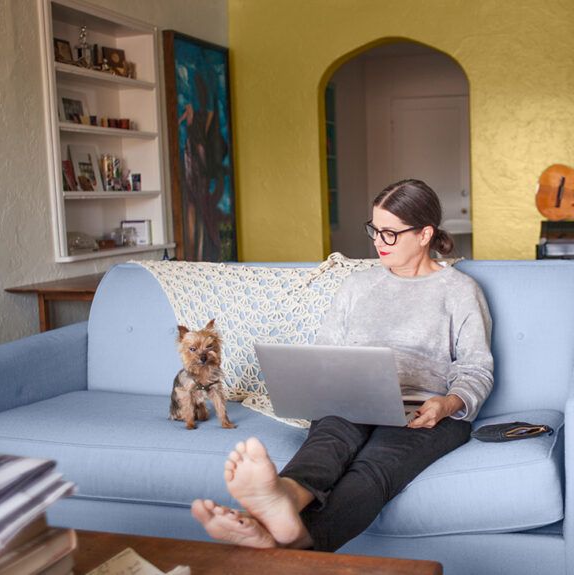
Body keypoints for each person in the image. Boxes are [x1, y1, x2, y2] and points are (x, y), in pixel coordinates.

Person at [190, 179, 494, 551]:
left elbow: (476, 369)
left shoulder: (460, 290)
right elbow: (326, 354)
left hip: (427, 411)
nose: (378, 242)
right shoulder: (356, 286)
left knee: (374, 467)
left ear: (425, 234)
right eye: (374, 230)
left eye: (390, 233)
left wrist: (448, 404)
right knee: (328, 443)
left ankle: (285, 536)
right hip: (353, 399)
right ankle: (284, 496)